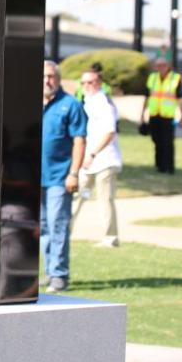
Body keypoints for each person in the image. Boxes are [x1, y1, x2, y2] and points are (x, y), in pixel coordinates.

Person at [41, 60, 86, 292]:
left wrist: (74, 173)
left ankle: (59, 274)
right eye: (44, 76)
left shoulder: (71, 105)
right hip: (35, 178)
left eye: (51, 77)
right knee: (43, 227)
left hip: (60, 177)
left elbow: (79, 140)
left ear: (58, 79)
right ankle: (49, 272)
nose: (47, 81)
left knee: (57, 225)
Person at [71, 69, 122, 247]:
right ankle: (64, 232)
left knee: (104, 200)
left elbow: (110, 132)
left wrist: (93, 153)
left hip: (104, 163)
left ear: (99, 84)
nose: (86, 86)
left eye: (90, 82)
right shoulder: (87, 101)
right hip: (87, 164)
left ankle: (110, 238)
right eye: (83, 83)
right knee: (79, 196)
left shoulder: (103, 103)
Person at [140, 57, 182, 174]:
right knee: (156, 140)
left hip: (168, 115)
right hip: (154, 114)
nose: (161, 68)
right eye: (158, 65)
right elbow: (147, 97)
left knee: (168, 142)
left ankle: (169, 167)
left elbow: (180, 99)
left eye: (163, 65)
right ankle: (159, 165)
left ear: (168, 66)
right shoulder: (152, 78)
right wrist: (142, 113)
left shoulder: (175, 79)